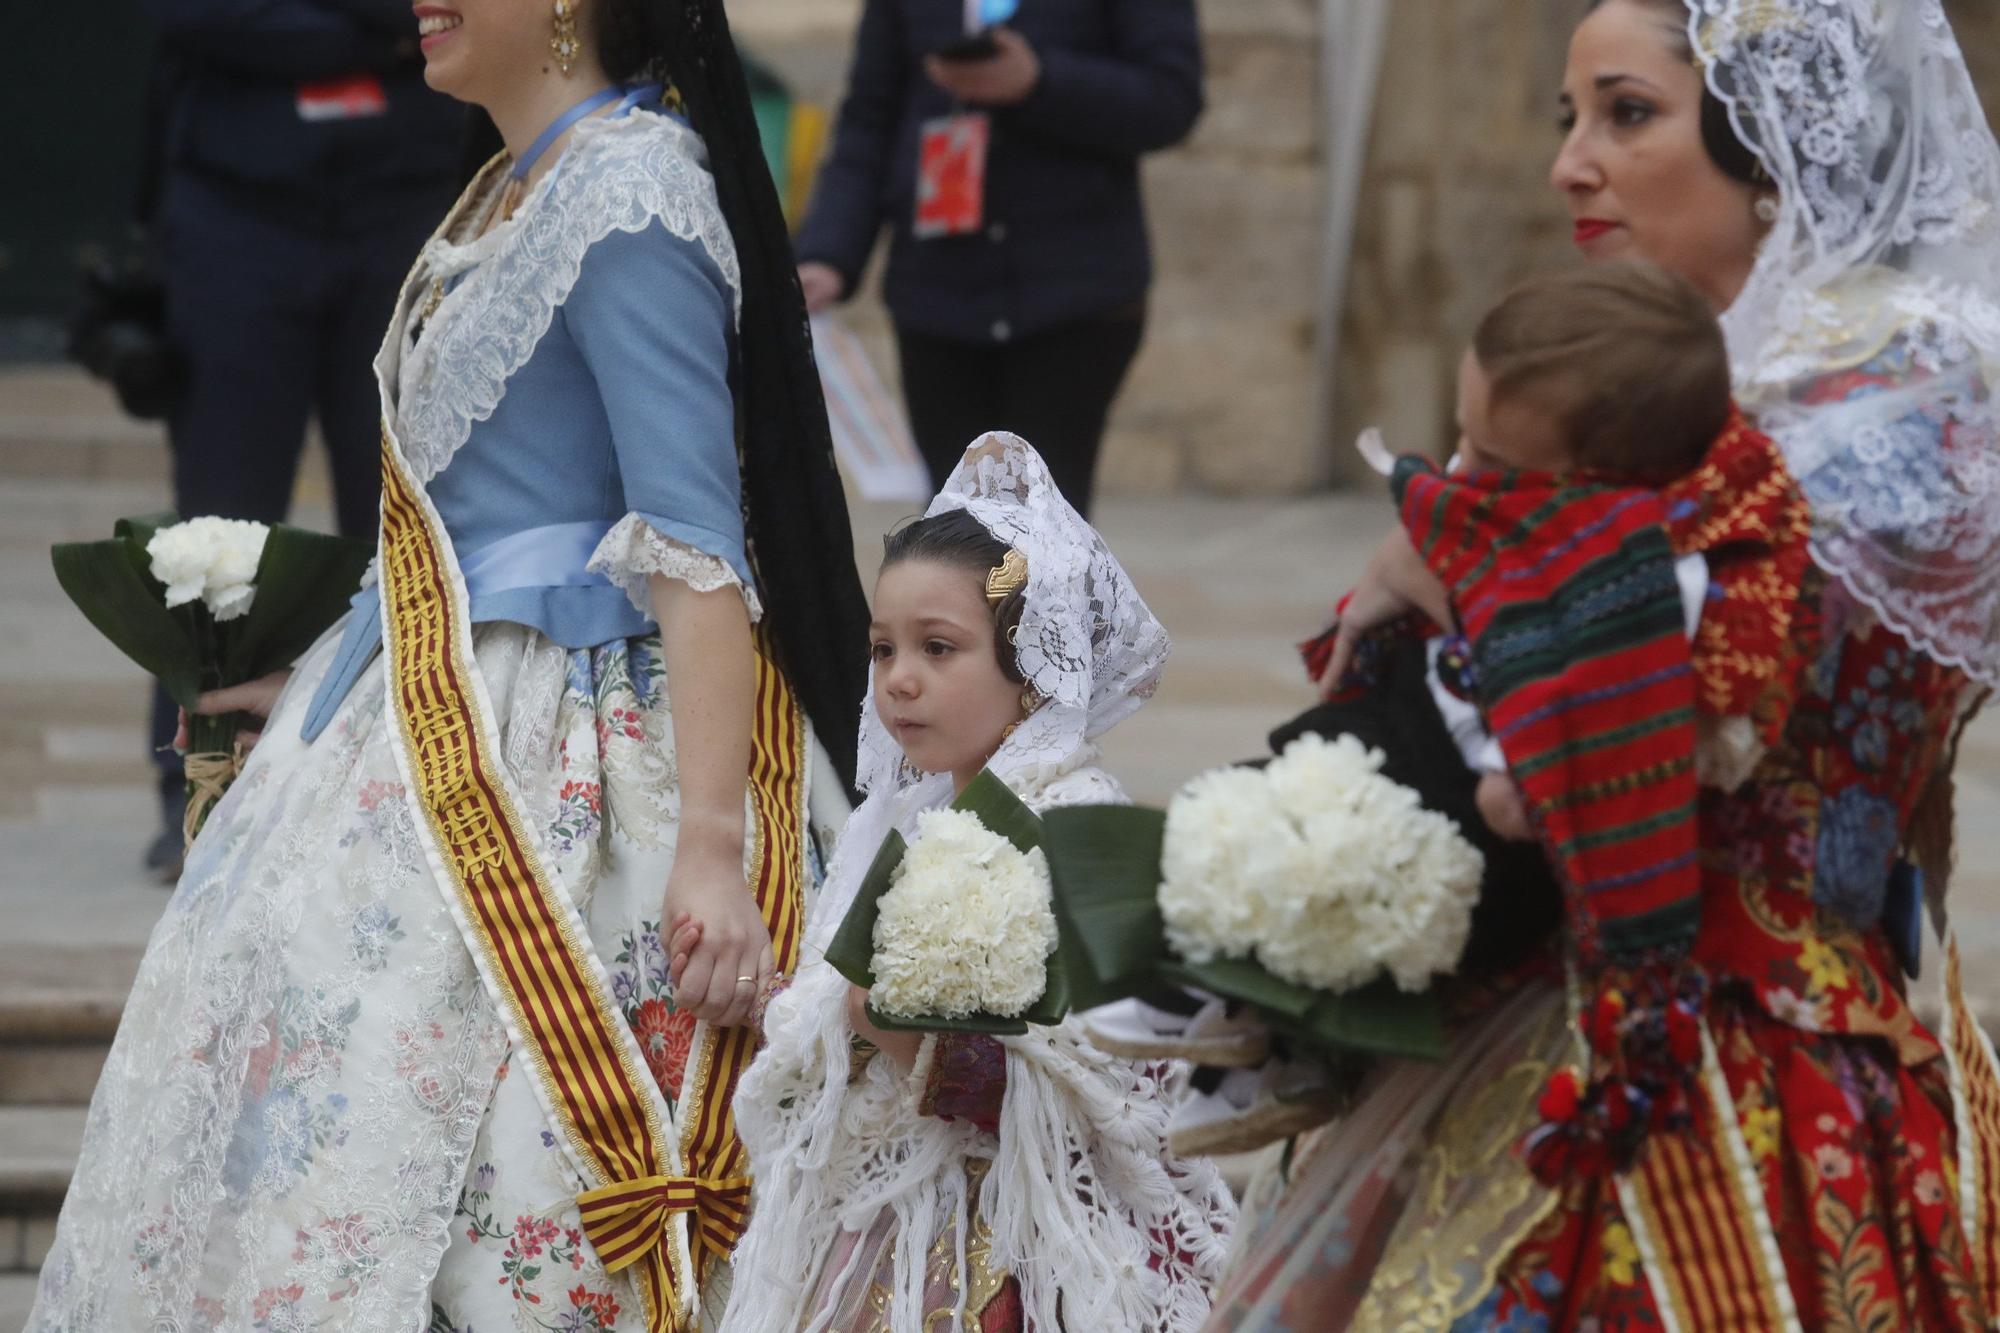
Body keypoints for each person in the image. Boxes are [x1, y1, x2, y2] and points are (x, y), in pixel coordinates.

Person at [29, 0, 871, 1327]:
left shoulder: (630, 190)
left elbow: (697, 548)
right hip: (436, 708)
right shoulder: (511, 186)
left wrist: (713, 839)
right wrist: (315, 678)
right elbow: (454, 527)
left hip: (579, 750)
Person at [1209, 0, 2000, 1327]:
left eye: (1628, 114)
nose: (1572, 163)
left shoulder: (1901, 399)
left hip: (1726, 1063)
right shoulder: (1677, 392)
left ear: (1779, 139)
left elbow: (1647, 671)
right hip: (1553, 1018)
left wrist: (1459, 559)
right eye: (1568, 118)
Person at [719, 433, 1236, 1333]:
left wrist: (910, 1038)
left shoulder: (1072, 826)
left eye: (939, 648)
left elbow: (1124, 1084)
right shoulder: (896, 817)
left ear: (1032, 670)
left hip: (1017, 1249)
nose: (900, 681)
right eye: (883, 650)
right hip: (886, 1211)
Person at [138, 0, 468, 878]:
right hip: (238, 200)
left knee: (403, 504)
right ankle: (200, 777)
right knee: (220, 520)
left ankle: (395, 772)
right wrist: (373, 29)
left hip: (408, 187)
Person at [790, 1, 1204, 515]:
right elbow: (868, 123)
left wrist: (1041, 81)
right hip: (937, 297)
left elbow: (1170, 101)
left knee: (1046, 528)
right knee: (954, 528)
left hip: (1073, 297)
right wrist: (827, 255)